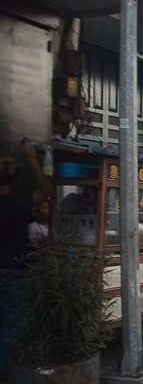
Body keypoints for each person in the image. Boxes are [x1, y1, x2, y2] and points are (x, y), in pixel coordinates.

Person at [0, 141, 52, 380]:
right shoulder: (20, 202)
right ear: (18, 181)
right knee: (12, 325)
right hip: (13, 270)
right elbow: (46, 189)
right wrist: (32, 159)